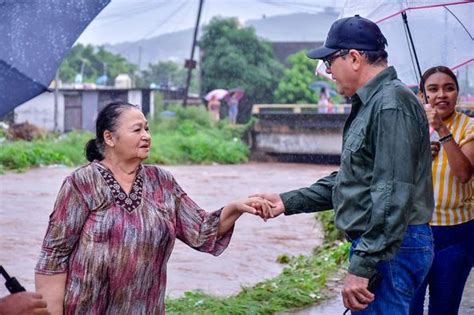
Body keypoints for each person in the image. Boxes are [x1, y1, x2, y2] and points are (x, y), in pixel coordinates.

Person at [255, 15, 434, 314]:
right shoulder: (374, 103)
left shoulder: (389, 104)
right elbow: (353, 181)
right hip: (387, 246)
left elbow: (391, 194)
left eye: (330, 62)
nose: (328, 71)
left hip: (390, 249)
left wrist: (362, 266)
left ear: (353, 58)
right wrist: (286, 202)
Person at [34, 102, 270, 314]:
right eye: (137, 130)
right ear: (109, 138)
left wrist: (236, 208)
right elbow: (54, 257)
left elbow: (201, 230)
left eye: (147, 129)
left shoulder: (162, 182)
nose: (146, 135)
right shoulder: (81, 183)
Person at [410, 66, 474, 315]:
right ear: (421, 94)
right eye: (433, 89)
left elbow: (464, 174)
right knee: (408, 308)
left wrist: (443, 131)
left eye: (449, 88)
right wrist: (419, 155)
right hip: (412, 234)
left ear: (458, 93)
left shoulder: (469, 127)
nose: (441, 95)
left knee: (444, 310)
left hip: (456, 235)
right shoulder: (409, 127)